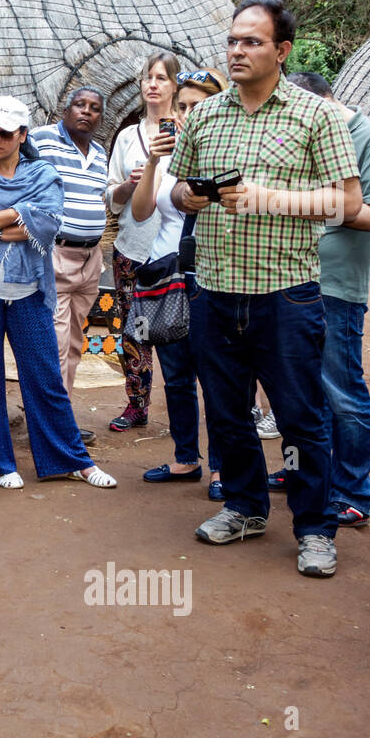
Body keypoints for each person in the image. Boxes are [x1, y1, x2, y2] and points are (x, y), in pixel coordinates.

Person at [167, 0, 362, 577]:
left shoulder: (315, 116)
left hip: (287, 295)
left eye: (251, 42)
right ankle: (246, 507)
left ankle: (315, 528)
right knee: (227, 413)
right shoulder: (204, 116)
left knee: (301, 418)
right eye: (232, 41)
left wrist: (269, 199)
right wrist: (191, 196)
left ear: (282, 51)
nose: (237, 51)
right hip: (215, 291)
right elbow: (178, 192)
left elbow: (348, 201)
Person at [0, 95, 117, 490]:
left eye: (5, 132)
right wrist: (16, 214)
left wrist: (3, 221)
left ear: (22, 135)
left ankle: (73, 460)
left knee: (44, 376)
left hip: (29, 290)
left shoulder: (44, 176)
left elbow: (48, 224)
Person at [265, 72, 370, 529]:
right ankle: (303, 473)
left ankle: (352, 492)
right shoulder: (306, 141)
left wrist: (301, 203)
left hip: (336, 288)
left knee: (341, 392)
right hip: (288, 279)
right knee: (297, 394)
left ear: (322, 103)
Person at [130, 67, 227, 499]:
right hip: (169, 275)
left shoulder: (231, 151)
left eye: (198, 105)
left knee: (222, 378)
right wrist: (153, 159)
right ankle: (187, 458)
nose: (187, 113)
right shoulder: (166, 157)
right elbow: (138, 212)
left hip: (217, 277)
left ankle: (225, 467)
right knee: (177, 376)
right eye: (182, 105)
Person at [105, 54, 181, 432]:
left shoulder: (188, 133)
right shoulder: (126, 137)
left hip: (176, 253)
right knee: (134, 329)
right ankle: (137, 405)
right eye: (148, 78)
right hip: (132, 248)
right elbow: (112, 196)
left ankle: (191, 408)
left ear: (174, 86)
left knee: (182, 327)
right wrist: (129, 184)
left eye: (162, 78)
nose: (153, 84)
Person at [32, 89, 108, 441]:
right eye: (81, 105)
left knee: (75, 342)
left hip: (90, 258)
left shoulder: (100, 153)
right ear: (66, 109)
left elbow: (102, 198)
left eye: (94, 109)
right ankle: (55, 428)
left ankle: (60, 418)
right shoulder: (42, 138)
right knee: (57, 342)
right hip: (56, 255)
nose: (86, 113)